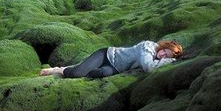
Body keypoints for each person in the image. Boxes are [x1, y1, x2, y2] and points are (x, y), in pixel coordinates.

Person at [39, 40, 183, 78]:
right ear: (163, 46)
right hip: (106, 55)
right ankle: (58, 70)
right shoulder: (148, 47)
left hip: (115, 67)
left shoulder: (157, 58)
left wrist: (169, 60)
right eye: (165, 51)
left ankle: (81, 67)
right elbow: (148, 68)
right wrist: (168, 61)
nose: (163, 55)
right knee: (77, 74)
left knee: (101, 74)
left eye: (167, 57)